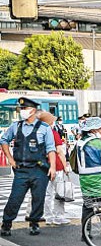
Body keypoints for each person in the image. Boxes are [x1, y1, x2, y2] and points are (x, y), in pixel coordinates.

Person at [0, 97, 56, 236]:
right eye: (21, 108)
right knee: (15, 198)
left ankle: (34, 223)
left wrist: (53, 167)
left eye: (24, 109)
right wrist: (10, 159)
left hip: (39, 169)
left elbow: (51, 149)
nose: (22, 111)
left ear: (32, 110)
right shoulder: (16, 126)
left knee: (38, 198)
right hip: (21, 169)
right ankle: (6, 224)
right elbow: (4, 140)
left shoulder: (44, 128)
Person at [76, 117, 101, 235]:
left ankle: (86, 231)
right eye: (100, 128)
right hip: (100, 178)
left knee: (87, 205)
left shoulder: (80, 142)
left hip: (85, 179)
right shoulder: (98, 143)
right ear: (93, 130)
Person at [40, 111, 71, 226]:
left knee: (47, 193)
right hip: (56, 166)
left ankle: (48, 217)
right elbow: (59, 151)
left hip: (43, 167)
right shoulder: (53, 133)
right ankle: (59, 216)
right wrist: (65, 166)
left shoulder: (38, 133)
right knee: (59, 192)